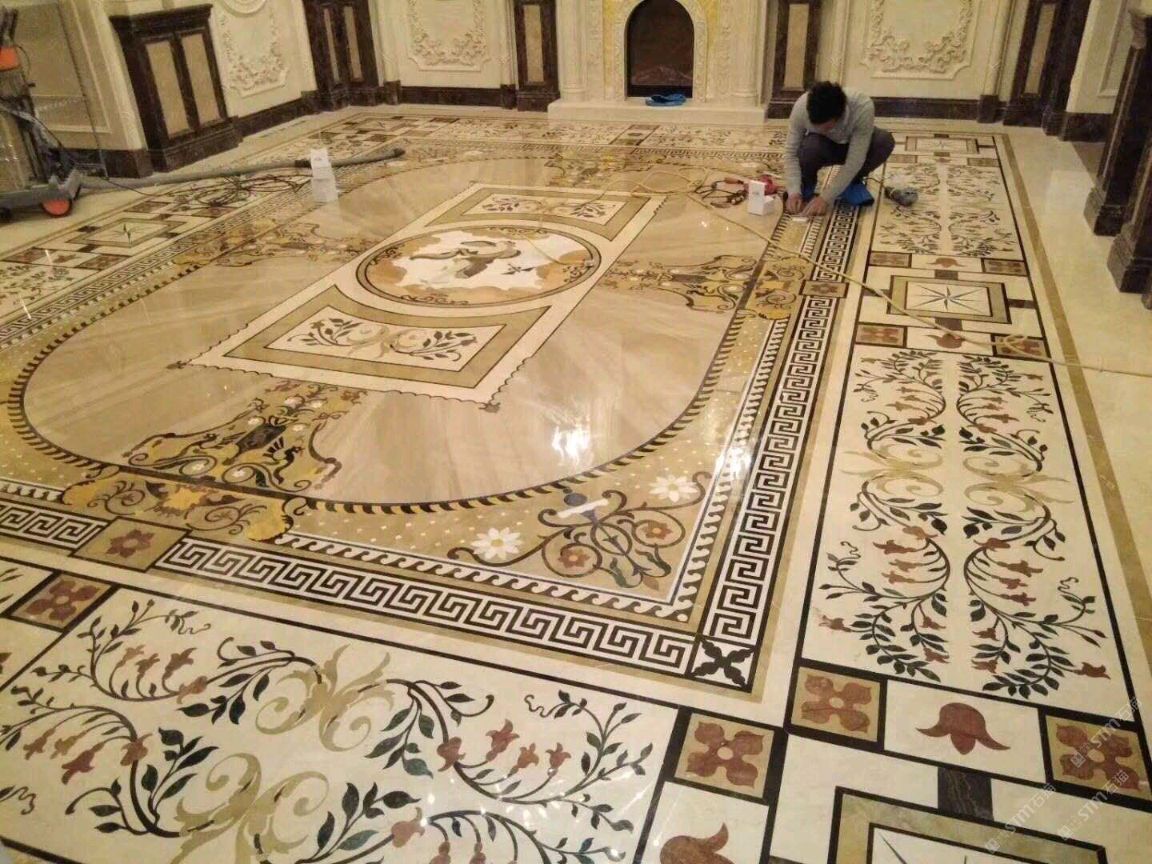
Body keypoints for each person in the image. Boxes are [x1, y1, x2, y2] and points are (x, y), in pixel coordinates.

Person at [782, 81, 896, 218]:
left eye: (826, 127)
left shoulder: (862, 107)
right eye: (816, 126)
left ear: (839, 117)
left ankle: (851, 183)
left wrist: (825, 198)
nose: (821, 130)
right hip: (822, 146)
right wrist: (793, 190)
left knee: (883, 141)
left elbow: (855, 161)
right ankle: (805, 184)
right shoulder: (801, 107)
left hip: (854, 145)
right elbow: (791, 153)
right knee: (810, 146)